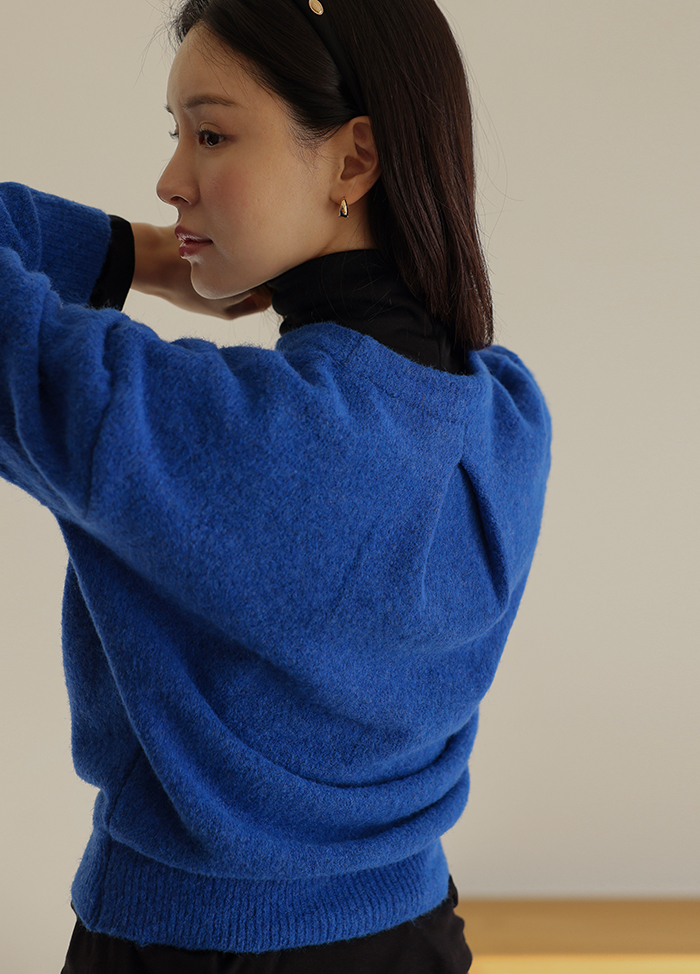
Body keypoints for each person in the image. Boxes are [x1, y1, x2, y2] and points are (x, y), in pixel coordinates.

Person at [0, 0, 552, 971]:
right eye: (176, 136)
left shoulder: (228, 429)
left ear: (353, 161)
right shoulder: (505, 414)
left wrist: (134, 255)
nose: (171, 180)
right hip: (416, 935)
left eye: (211, 135)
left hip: (189, 947)